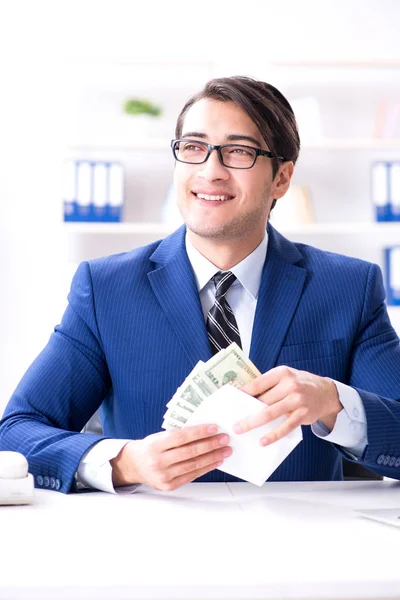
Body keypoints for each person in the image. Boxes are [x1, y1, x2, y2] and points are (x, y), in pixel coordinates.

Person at [1, 76, 400, 494]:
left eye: (239, 152)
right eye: (193, 148)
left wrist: (334, 403)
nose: (211, 171)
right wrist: (123, 461)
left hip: (301, 544)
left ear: (281, 178)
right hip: (153, 540)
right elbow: (15, 431)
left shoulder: (348, 287)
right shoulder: (105, 289)